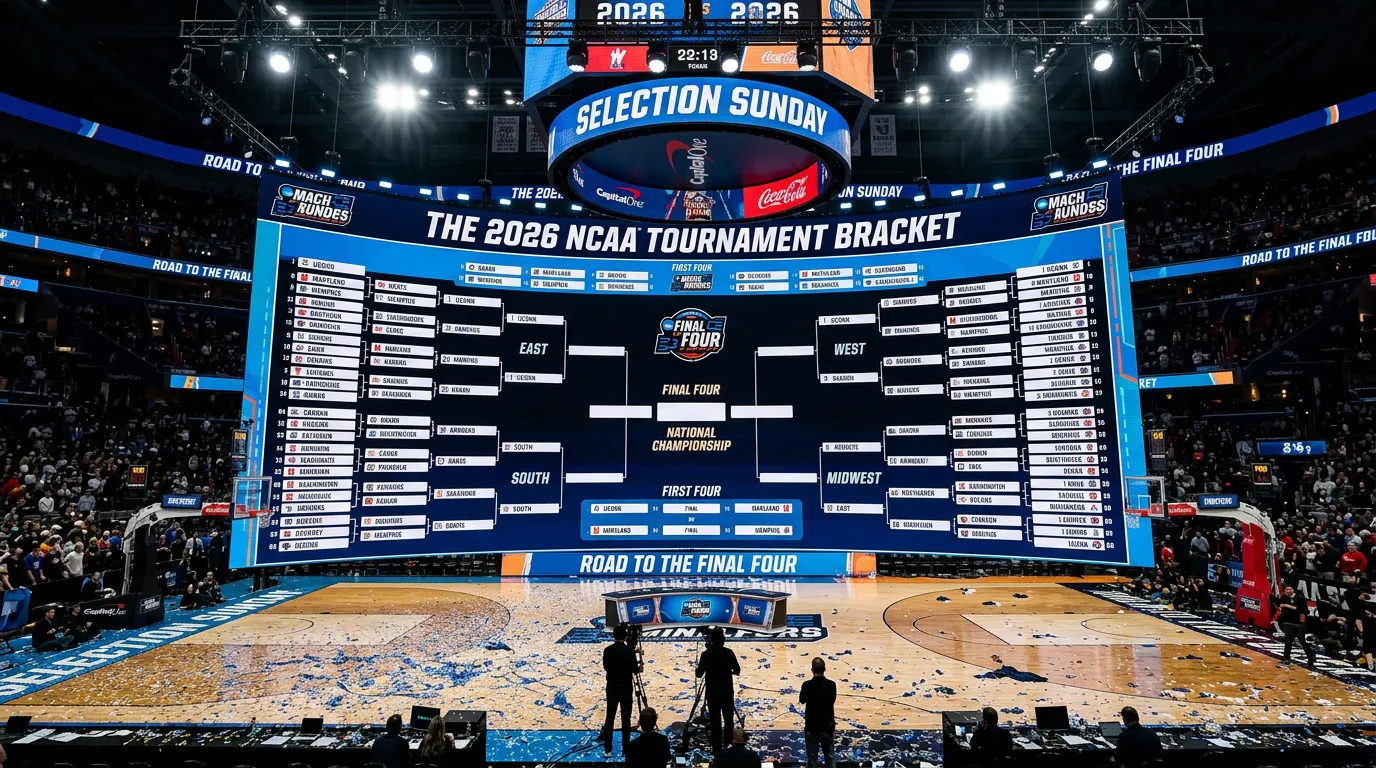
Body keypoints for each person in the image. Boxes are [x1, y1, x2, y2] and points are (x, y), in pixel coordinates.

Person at [696, 627, 741, 753]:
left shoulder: (706, 654)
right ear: (723, 640)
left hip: (712, 694)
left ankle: (716, 751)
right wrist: (729, 671)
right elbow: (737, 670)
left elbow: (699, 674)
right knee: (728, 722)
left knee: (715, 723)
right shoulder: (729, 653)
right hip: (726, 693)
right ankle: (728, 748)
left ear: (711, 640)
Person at [601, 623, 637, 754]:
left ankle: (607, 750)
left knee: (609, 718)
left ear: (614, 635)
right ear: (625, 636)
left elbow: (606, 667)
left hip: (612, 688)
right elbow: (635, 670)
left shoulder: (608, 650)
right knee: (626, 720)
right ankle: (625, 750)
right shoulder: (629, 651)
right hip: (626, 688)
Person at [798, 657, 837, 768]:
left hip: (811, 728)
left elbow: (801, 700)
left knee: (812, 760)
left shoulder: (807, 685)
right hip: (827, 728)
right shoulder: (831, 684)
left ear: (812, 670)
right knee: (830, 758)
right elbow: (832, 700)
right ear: (824, 669)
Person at [1275, 584, 1316, 666]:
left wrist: (1302, 623)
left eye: (1290, 589)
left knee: (1302, 641)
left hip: (1298, 623)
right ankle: (1286, 658)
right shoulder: (1283, 598)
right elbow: (1280, 606)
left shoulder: (1300, 598)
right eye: (1286, 589)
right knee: (1288, 641)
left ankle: (1311, 655)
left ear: (1293, 590)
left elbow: (1302, 610)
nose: (1288, 591)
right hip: (1288, 622)